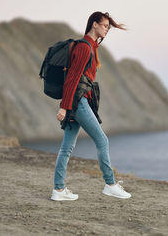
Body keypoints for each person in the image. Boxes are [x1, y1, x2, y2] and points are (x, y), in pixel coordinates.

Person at [51, 12, 131, 201]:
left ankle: (59, 190)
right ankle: (110, 184)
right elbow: (72, 78)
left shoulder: (91, 47)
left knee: (66, 147)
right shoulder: (85, 48)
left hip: (77, 102)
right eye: (104, 26)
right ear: (94, 24)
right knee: (102, 141)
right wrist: (64, 107)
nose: (106, 29)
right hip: (78, 102)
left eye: (108, 27)